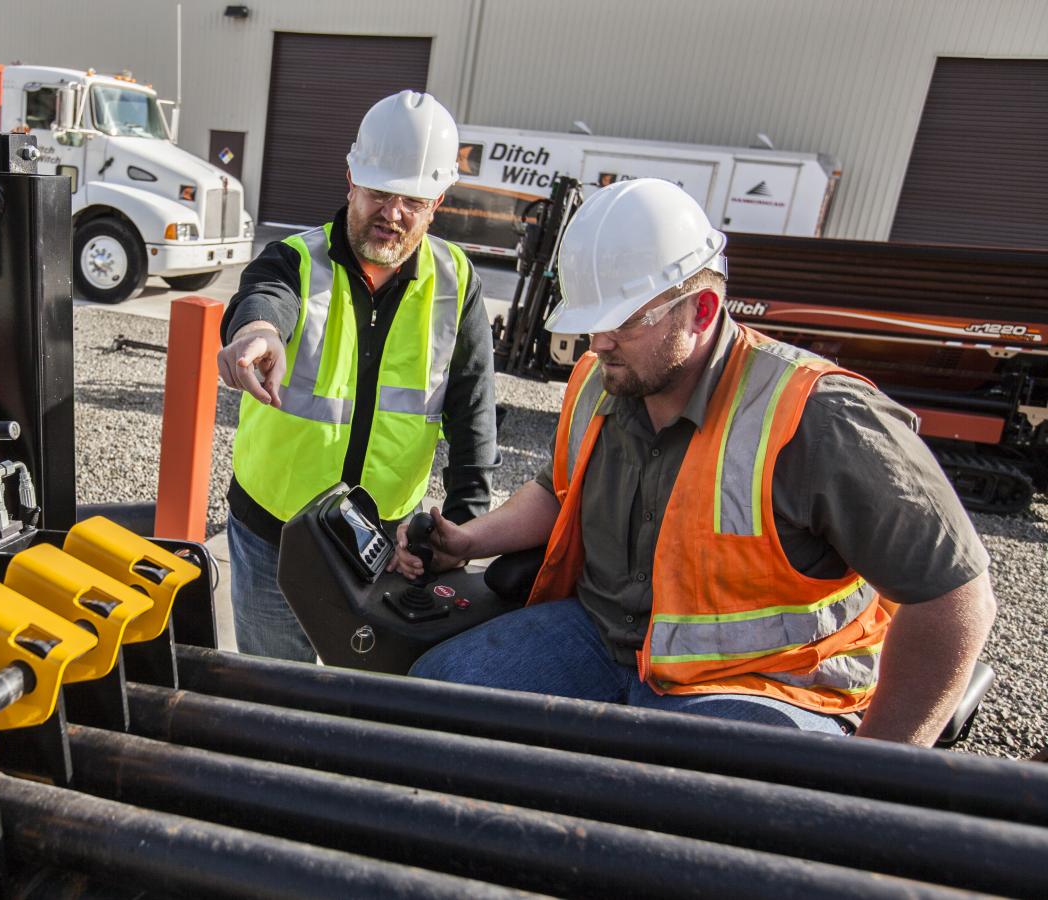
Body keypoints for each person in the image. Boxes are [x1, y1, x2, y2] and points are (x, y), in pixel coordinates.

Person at [397, 177, 996, 745]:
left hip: (763, 681)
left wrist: (882, 770)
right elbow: (561, 491)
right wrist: (468, 541)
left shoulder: (820, 417)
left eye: (622, 322)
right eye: (587, 322)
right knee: (433, 700)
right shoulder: (603, 379)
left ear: (702, 310)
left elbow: (953, 598)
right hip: (605, 639)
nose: (596, 342)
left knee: (670, 815)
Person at [216, 91, 499, 661]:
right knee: (276, 703)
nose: (392, 213)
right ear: (350, 179)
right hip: (274, 536)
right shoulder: (294, 259)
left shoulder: (456, 282)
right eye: (378, 193)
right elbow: (264, 298)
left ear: (437, 201)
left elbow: (473, 415)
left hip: (385, 546)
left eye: (411, 200)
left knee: (363, 703)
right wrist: (256, 333)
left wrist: (464, 532)